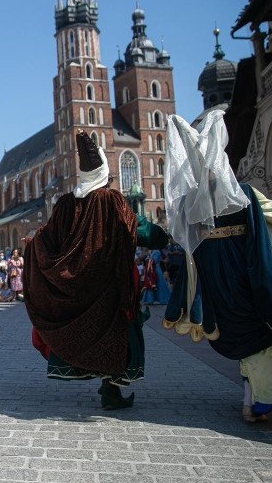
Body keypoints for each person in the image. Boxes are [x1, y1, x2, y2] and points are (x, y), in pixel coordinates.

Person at [163, 110, 272, 422]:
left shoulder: (189, 201)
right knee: (268, 336)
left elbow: (187, 246)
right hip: (249, 275)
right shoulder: (242, 193)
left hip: (218, 284)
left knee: (244, 339)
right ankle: (260, 399)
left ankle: (250, 399)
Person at [24, 132, 168, 410]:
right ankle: (111, 392)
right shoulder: (112, 201)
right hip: (111, 287)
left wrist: (31, 245)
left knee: (82, 331)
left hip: (79, 288)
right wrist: (165, 236)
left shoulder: (66, 204)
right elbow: (141, 229)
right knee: (118, 335)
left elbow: (46, 238)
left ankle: (106, 390)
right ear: (105, 172)